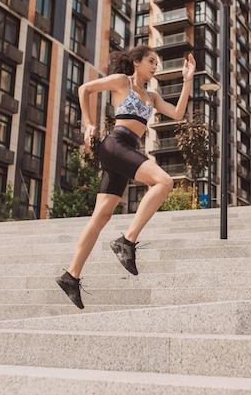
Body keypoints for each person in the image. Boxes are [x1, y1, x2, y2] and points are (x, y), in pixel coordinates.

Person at [56, 45, 196, 309]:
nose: (155, 66)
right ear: (137, 62)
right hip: (116, 144)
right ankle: (127, 241)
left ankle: (71, 275)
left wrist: (187, 80)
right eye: (151, 61)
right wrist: (88, 124)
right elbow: (84, 89)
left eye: (157, 63)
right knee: (164, 181)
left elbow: (177, 113)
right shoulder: (122, 82)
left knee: (102, 216)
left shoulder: (152, 97)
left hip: (126, 150)